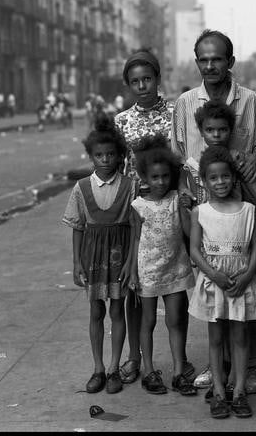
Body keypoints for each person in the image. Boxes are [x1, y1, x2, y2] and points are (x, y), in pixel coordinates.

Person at [171, 28, 256, 394]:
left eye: (217, 58)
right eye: (203, 59)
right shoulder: (186, 103)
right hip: (204, 208)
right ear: (197, 62)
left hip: (245, 206)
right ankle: (219, 364)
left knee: (250, 282)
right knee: (211, 282)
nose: (210, 65)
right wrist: (184, 197)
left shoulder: (248, 100)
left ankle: (253, 366)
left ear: (230, 62)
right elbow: (177, 152)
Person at [114, 49, 195, 386]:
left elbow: (186, 156)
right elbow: (120, 167)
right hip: (136, 207)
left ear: (158, 79)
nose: (142, 86)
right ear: (128, 85)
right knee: (137, 286)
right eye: (135, 82)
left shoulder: (177, 112)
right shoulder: (122, 120)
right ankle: (136, 358)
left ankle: (181, 361)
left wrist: (185, 197)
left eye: (147, 79)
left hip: (172, 203)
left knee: (176, 280)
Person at [189, 145, 256, 419]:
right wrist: (214, 275)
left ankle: (239, 391)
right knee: (215, 338)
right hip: (215, 282)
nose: (220, 182)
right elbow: (195, 251)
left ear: (233, 178)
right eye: (213, 178)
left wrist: (247, 276)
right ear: (204, 181)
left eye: (225, 176)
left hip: (241, 281)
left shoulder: (248, 210)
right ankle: (219, 392)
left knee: (240, 336)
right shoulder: (200, 212)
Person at [61, 116, 134, 395]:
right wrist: (76, 262)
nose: (105, 160)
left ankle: (115, 368)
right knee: (95, 310)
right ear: (91, 156)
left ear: (120, 156)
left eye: (111, 154)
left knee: (117, 310)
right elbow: (77, 227)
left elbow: (135, 226)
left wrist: (130, 263)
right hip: (92, 257)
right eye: (99, 155)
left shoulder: (129, 186)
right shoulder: (81, 188)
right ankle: (98, 368)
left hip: (120, 255)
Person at [128, 133, 197, 397]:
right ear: (144, 177)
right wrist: (133, 272)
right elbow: (135, 241)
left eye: (165, 176)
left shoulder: (176, 200)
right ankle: (148, 370)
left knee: (176, 319)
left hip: (176, 267)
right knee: (147, 321)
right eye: (155, 177)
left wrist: (185, 207)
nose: (161, 182)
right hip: (148, 271)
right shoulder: (138, 206)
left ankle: (179, 371)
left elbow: (189, 231)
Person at [180, 100, 256, 210]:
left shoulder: (238, 159)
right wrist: (190, 203)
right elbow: (197, 200)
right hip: (207, 223)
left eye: (222, 129)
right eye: (209, 130)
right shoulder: (194, 165)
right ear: (201, 131)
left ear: (231, 130)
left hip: (236, 219)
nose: (216, 135)